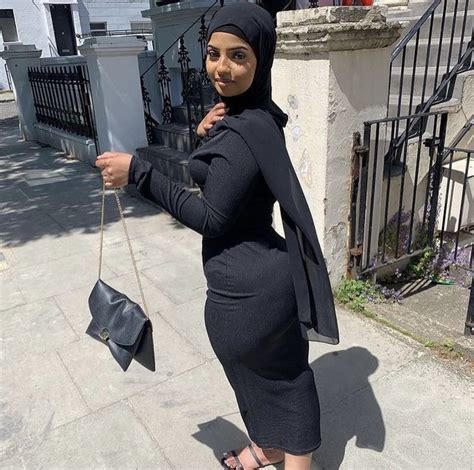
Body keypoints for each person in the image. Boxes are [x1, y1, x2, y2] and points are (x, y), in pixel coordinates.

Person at [96, 3, 339, 469]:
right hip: (255, 280)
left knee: (283, 383)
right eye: (212, 53)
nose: (220, 68)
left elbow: (212, 216)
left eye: (238, 56)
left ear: (260, 60)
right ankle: (268, 449)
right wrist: (208, 134)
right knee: (262, 378)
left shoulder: (245, 130)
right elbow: (226, 179)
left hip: (252, 292)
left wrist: (140, 173)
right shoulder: (255, 116)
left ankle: (294, 461)